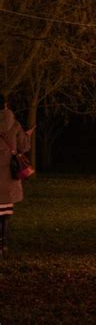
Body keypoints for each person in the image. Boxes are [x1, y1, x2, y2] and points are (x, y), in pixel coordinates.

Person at [0, 94, 31, 258]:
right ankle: (3, 245)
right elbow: (24, 147)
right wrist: (27, 136)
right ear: (5, 104)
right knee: (5, 212)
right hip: (8, 176)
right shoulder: (15, 125)